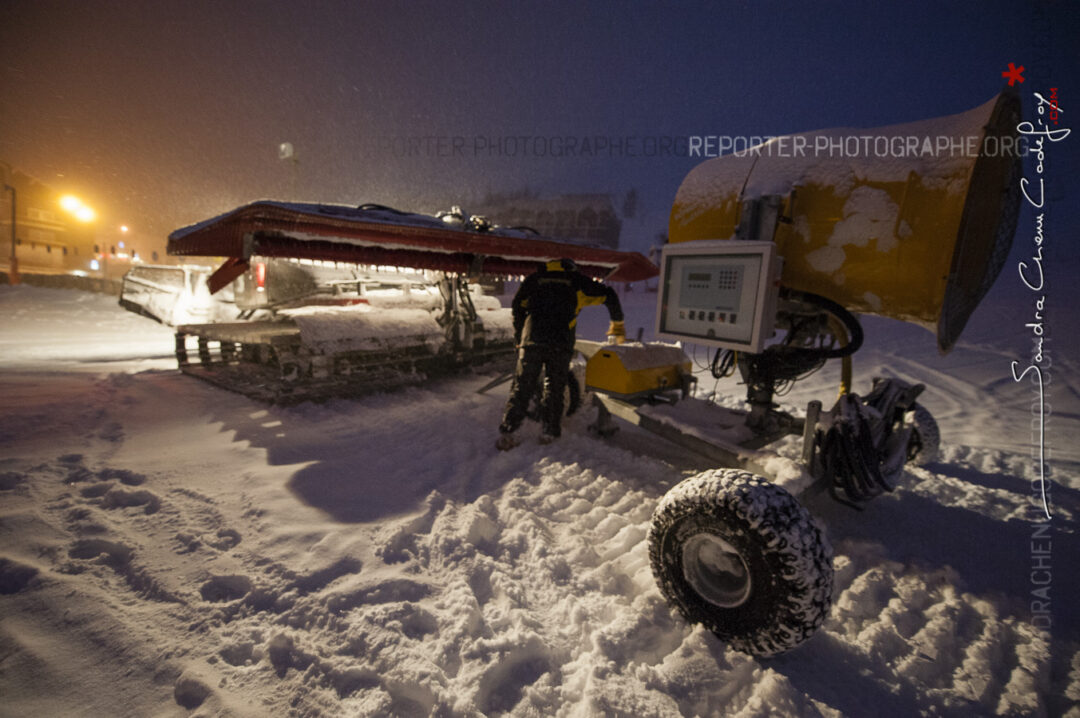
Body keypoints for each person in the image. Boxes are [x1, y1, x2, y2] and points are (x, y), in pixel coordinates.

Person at [497, 257, 625, 449]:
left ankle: (509, 432)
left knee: (522, 385)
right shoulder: (576, 280)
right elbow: (609, 295)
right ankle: (549, 432)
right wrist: (618, 324)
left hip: (531, 340)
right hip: (560, 342)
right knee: (555, 386)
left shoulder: (534, 279)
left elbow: (517, 307)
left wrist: (519, 336)